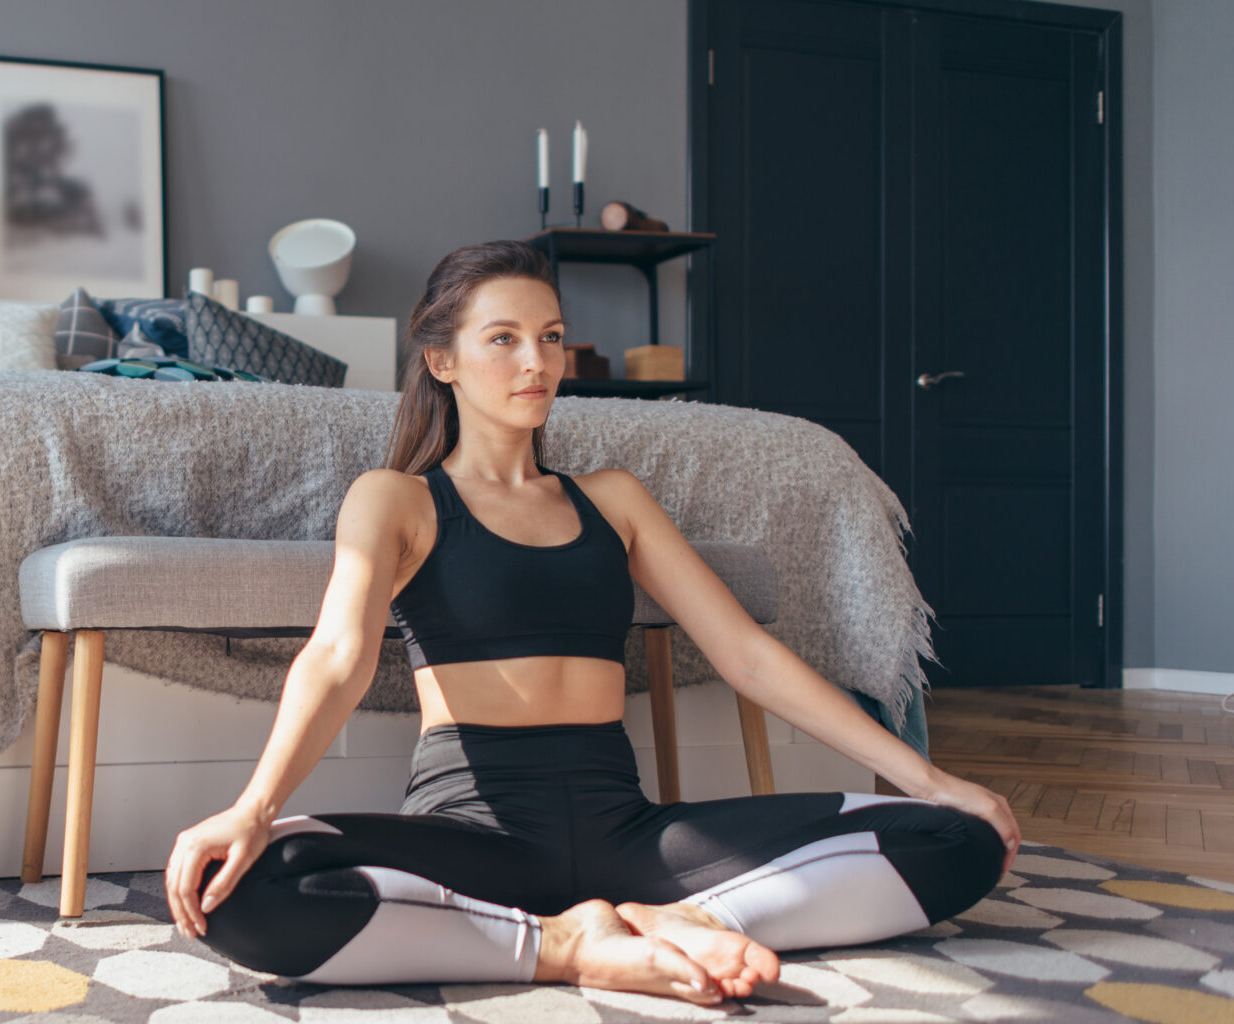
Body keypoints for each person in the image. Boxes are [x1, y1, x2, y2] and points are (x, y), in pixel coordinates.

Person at [162, 240, 1019, 1005]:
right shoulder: (397, 501)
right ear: (443, 360)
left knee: (958, 840)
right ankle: (566, 946)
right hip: (473, 834)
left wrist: (929, 780)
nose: (535, 361)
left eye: (549, 336)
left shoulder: (613, 499)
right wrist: (253, 806)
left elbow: (747, 655)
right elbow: (339, 656)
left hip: (629, 834)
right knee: (237, 891)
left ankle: (654, 918)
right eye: (502, 338)